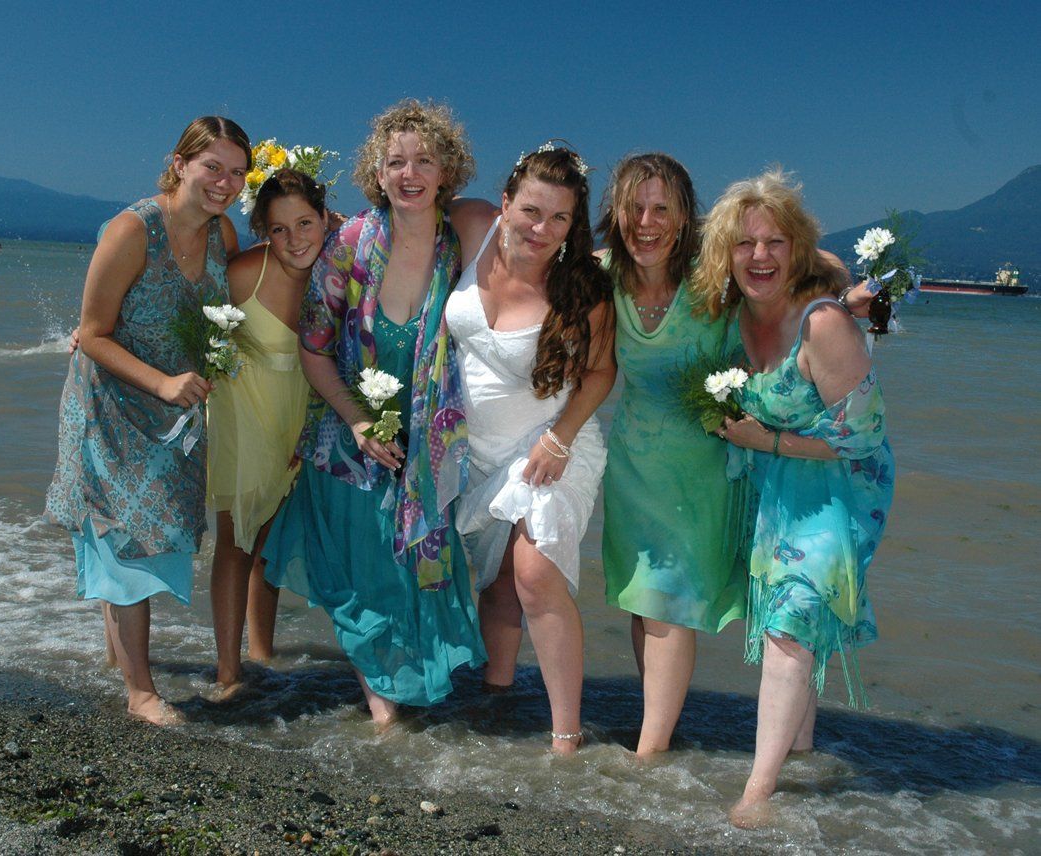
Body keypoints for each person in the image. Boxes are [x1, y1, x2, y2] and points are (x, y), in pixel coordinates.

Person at [262, 100, 485, 726]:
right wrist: (359, 422)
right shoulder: (349, 245)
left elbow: (532, 250)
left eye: (424, 161)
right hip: (348, 440)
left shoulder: (460, 248)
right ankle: (384, 712)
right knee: (363, 577)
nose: (409, 174)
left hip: (426, 445)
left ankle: (402, 700)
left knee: (408, 576)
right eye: (395, 163)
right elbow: (313, 349)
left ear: (445, 171)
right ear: (377, 174)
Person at [692, 169, 894, 825]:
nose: (760, 256)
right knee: (796, 624)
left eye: (775, 242)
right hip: (777, 485)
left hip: (841, 487)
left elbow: (862, 441)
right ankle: (800, 749)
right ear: (724, 252)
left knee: (788, 624)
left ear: (796, 249)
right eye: (745, 242)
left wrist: (766, 440)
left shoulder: (823, 323)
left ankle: (757, 793)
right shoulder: (736, 312)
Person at [44, 117, 250, 725]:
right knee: (125, 542)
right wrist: (161, 381)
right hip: (110, 408)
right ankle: (141, 693)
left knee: (153, 534)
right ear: (180, 164)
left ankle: (119, 653)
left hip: (175, 416)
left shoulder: (223, 233)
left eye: (238, 172)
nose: (225, 182)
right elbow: (92, 334)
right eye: (213, 167)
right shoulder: (132, 230)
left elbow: (237, 303)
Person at [447, 145, 615, 754]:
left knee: (535, 575)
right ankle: (495, 697)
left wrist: (559, 437)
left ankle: (566, 736)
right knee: (496, 581)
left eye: (560, 218)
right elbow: (400, 216)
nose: (542, 228)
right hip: (474, 451)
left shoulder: (582, 287)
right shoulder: (471, 226)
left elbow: (600, 372)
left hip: (552, 442)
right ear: (506, 203)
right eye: (532, 211)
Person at [596, 154, 746, 757]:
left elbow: (811, 264)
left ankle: (649, 754)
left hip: (702, 472)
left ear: (686, 218)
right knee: (644, 603)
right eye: (634, 208)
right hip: (633, 470)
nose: (646, 222)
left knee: (668, 606)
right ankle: (660, 727)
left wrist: (852, 298)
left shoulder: (715, 279)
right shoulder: (603, 274)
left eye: (662, 208)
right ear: (616, 213)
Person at [206, 169, 327, 696]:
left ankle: (263, 655)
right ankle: (229, 673)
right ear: (264, 232)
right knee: (236, 540)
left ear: (325, 219)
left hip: (298, 417)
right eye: (279, 229)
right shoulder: (243, 275)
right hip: (242, 412)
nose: (295, 239)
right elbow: (184, 317)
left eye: (305, 223)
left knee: (269, 544)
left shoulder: (336, 270)